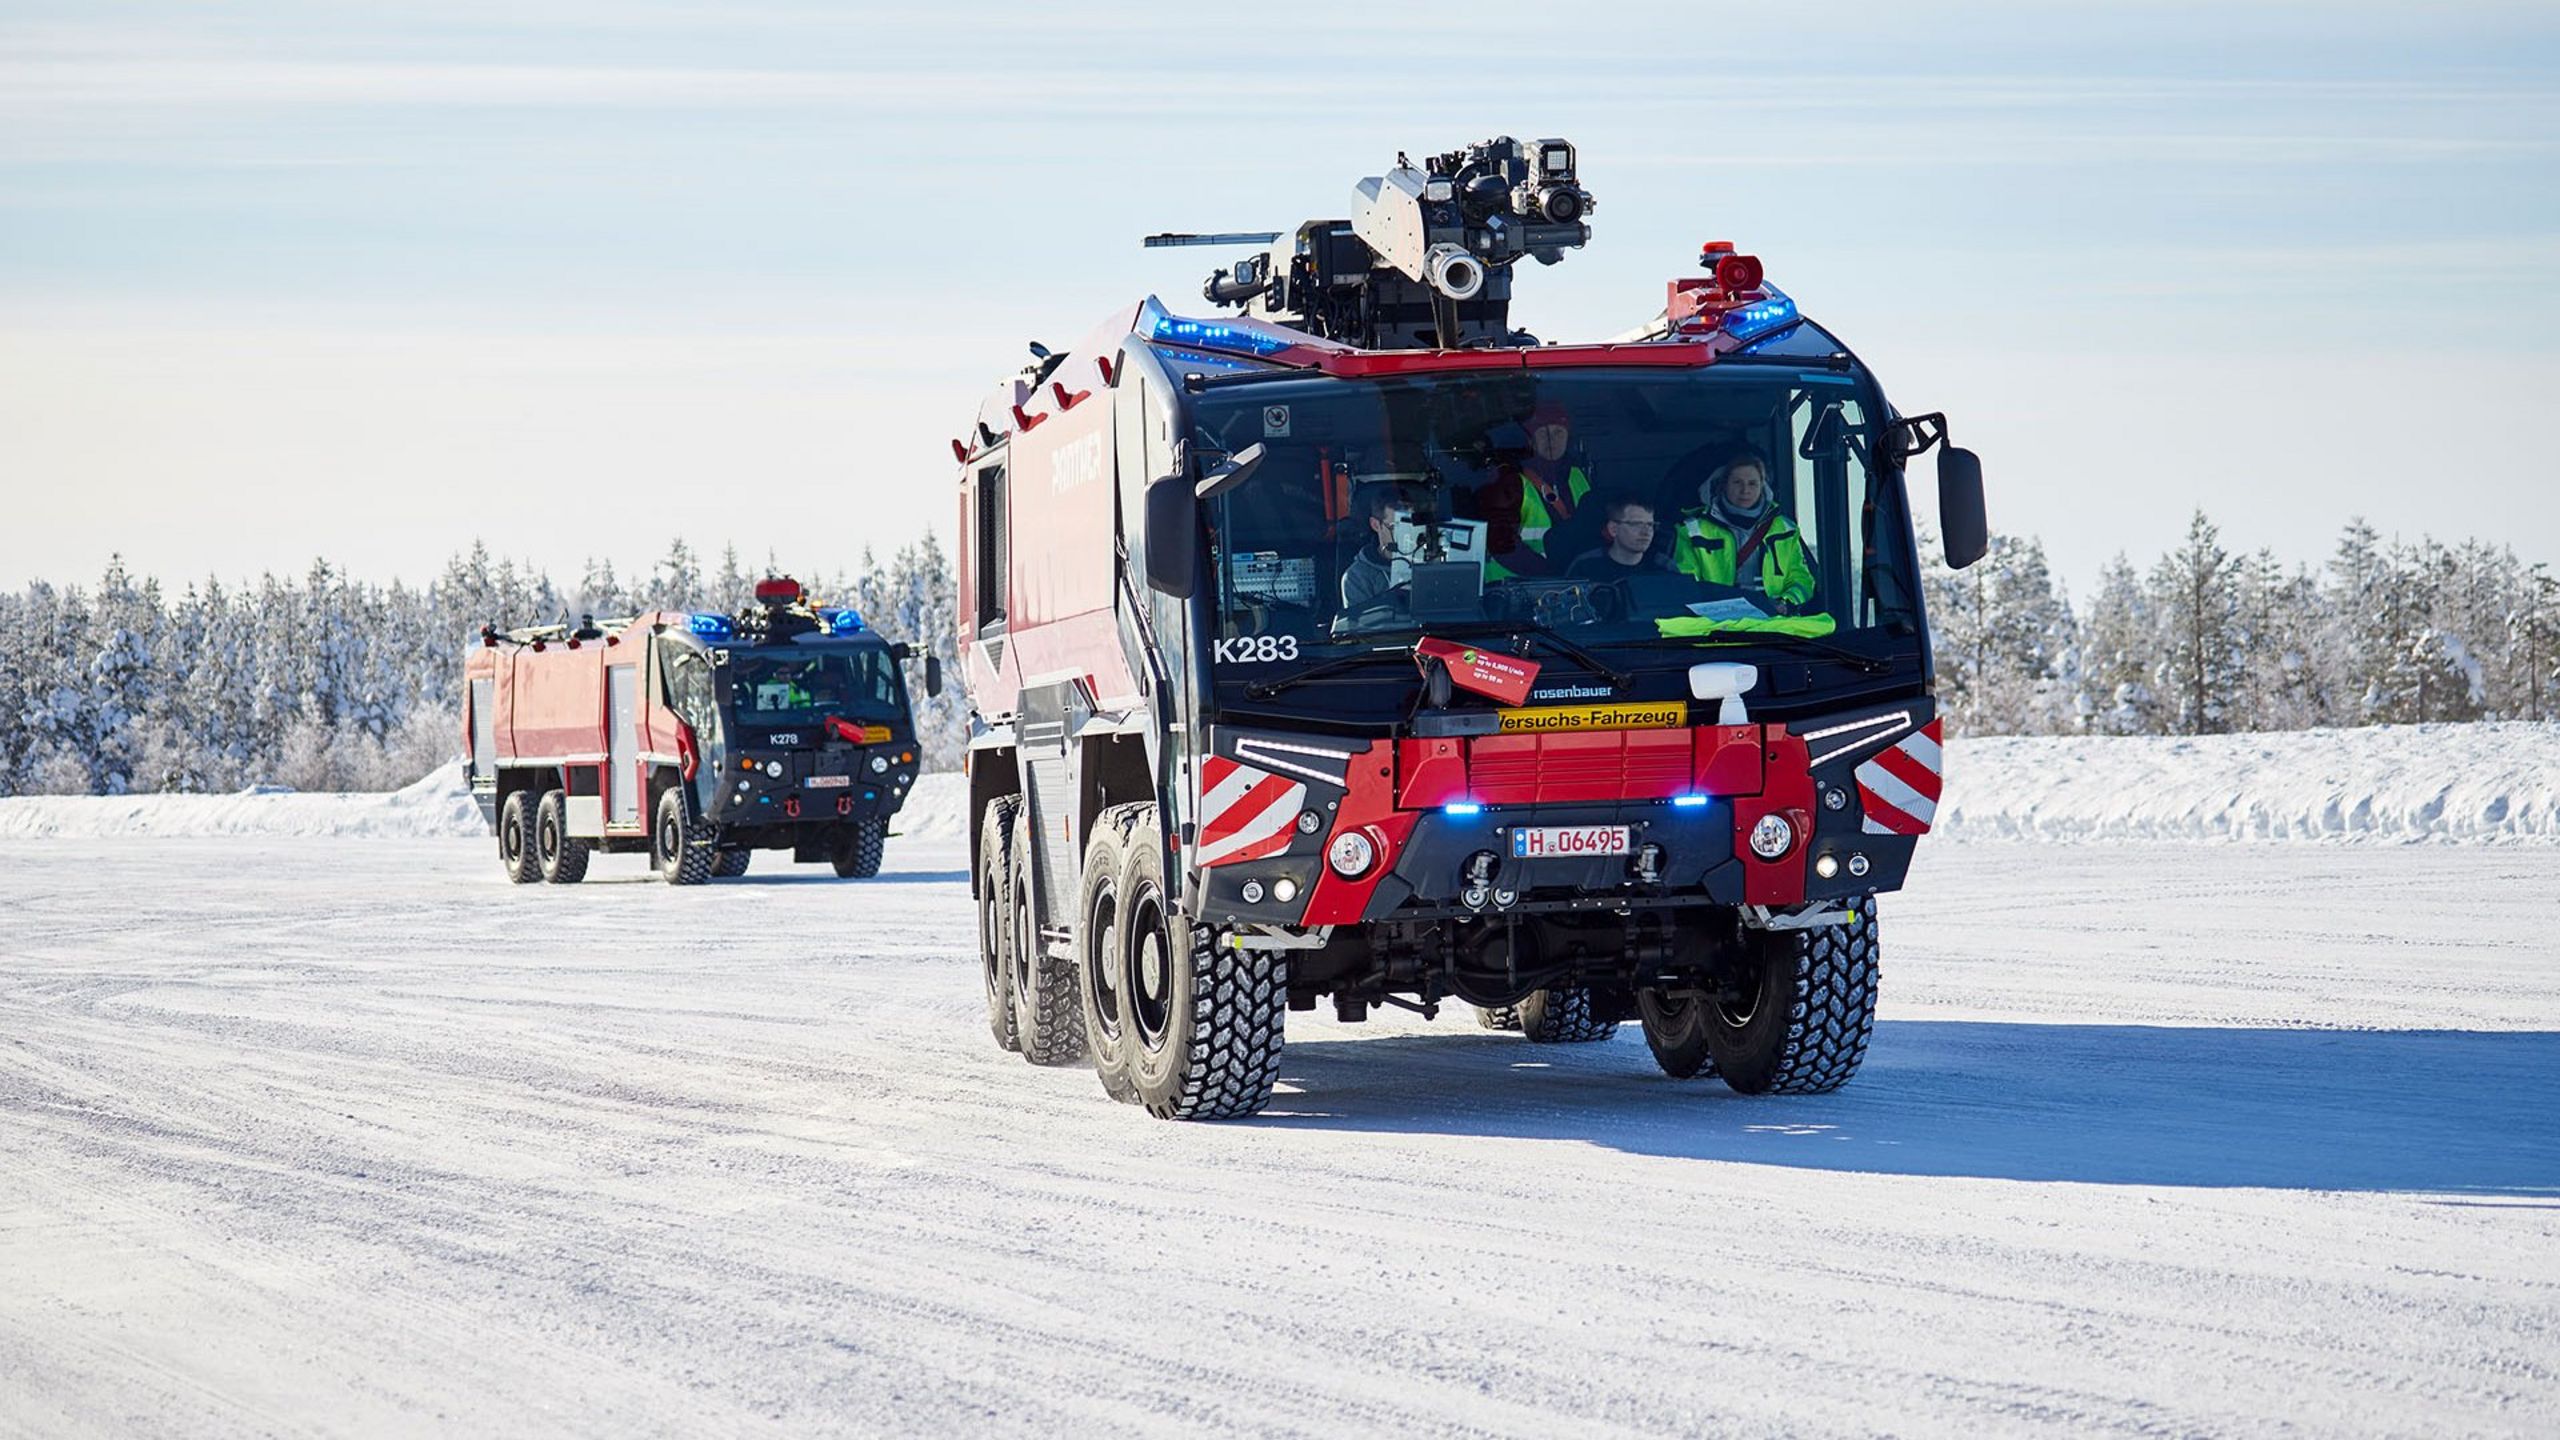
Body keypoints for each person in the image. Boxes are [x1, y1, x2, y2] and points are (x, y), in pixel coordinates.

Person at [1671, 450, 1815, 609]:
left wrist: (1785, 603)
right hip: (1717, 624)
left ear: (1763, 486)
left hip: (1776, 622)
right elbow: (1686, 583)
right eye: (1737, 482)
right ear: (1723, 484)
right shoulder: (1692, 530)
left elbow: (1801, 580)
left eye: (1752, 483)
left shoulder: (1786, 529)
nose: (1745, 490)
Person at [1487, 402, 1592, 579]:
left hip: (1572, 585)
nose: (1552, 441)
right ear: (1531, 440)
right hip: (1511, 588)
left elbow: (1592, 530)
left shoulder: (1578, 475)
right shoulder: (1509, 480)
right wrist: (1553, 575)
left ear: (1568, 438)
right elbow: (1501, 543)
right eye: (1543, 433)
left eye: (1559, 432)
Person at [1340, 483, 1413, 611]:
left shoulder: (1429, 565)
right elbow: (1361, 628)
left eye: (1411, 525)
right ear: (1375, 525)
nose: (1405, 533)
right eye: (1395, 527)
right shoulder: (1357, 577)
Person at [1565, 496, 1670, 579]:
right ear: (1613, 529)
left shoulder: (1664, 567)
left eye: (1650, 525)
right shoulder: (1585, 566)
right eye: (1636, 524)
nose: (1646, 532)